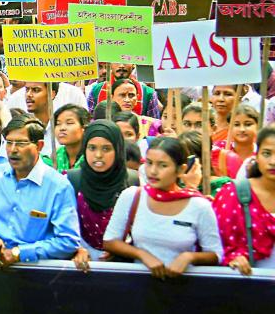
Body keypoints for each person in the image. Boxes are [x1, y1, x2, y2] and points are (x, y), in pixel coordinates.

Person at [103, 137, 222, 279]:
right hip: (137, 287)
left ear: (180, 170)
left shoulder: (199, 206)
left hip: (184, 288)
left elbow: (215, 254)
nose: (153, 171)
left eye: (162, 165)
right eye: (149, 163)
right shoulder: (132, 196)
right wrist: (142, 254)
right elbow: (110, 241)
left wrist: (189, 257)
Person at [0, 115, 81, 267]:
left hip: (34, 271)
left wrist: (21, 253)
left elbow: (68, 241)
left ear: (39, 146)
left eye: (21, 143)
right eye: (9, 143)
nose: (13, 150)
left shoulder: (58, 186)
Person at [68, 121, 139, 268]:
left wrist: (123, 249)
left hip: (124, 266)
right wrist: (76, 249)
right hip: (80, 263)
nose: (98, 155)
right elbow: (61, 224)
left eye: (106, 149)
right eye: (92, 148)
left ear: (118, 150)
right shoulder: (70, 181)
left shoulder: (134, 181)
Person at [214, 126, 275, 275]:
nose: (273, 161)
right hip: (246, 290)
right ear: (256, 155)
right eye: (267, 153)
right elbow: (212, 246)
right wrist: (232, 257)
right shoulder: (233, 194)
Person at [51, 104, 89, 173]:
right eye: (58, 123)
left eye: (69, 123)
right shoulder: (56, 155)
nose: (62, 128)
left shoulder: (91, 156)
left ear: (84, 127)